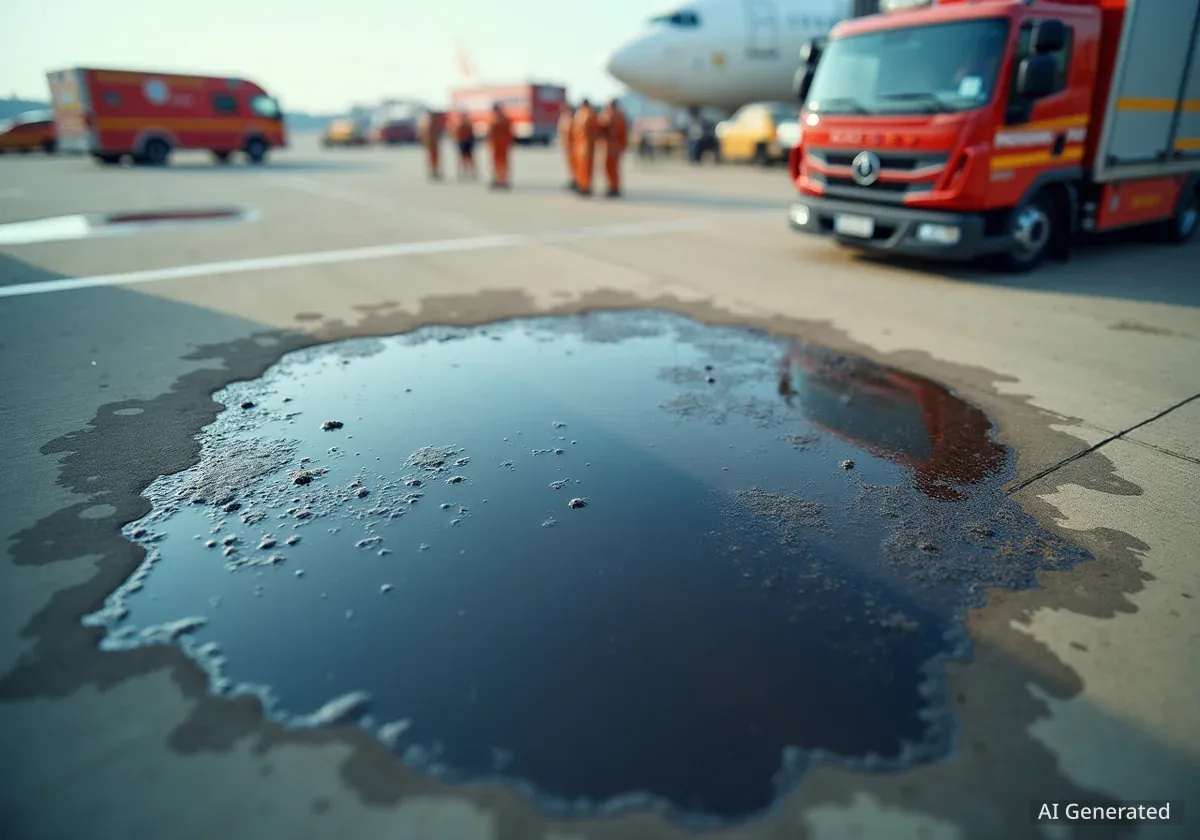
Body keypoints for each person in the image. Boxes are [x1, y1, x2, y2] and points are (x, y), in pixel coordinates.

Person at [598, 99, 628, 198]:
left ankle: (613, 187)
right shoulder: (620, 115)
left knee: (611, 168)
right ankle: (614, 187)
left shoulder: (611, 115)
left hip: (612, 147)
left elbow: (604, 127)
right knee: (613, 168)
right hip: (615, 146)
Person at [571, 98, 599, 196]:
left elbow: (587, 133)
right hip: (582, 146)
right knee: (583, 168)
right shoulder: (585, 114)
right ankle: (583, 186)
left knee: (585, 168)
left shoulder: (584, 115)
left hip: (583, 147)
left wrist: (586, 147)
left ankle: (585, 186)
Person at [486, 103, 513, 189]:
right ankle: (496, 179)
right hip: (495, 146)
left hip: (503, 146)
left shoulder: (505, 121)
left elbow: (509, 134)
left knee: (503, 163)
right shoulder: (492, 120)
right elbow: (489, 135)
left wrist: (508, 143)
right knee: (495, 164)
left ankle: (503, 180)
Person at [417, 110, 443, 181]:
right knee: (432, 158)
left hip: (433, 143)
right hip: (431, 143)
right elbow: (422, 134)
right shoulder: (426, 123)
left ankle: (434, 171)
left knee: (434, 158)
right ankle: (433, 171)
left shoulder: (427, 122)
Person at [558, 104, 577, 190]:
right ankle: (573, 179)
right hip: (567, 146)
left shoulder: (572, 120)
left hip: (572, 147)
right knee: (570, 165)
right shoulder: (565, 119)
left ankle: (576, 181)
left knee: (575, 165)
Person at [453, 111, 476, 180]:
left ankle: (472, 171)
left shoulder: (468, 124)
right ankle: (461, 172)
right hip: (462, 142)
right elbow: (456, 134)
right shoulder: (459, 125)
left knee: (470, 157)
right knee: (462, 158)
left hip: (468, 142)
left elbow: (471, 134)